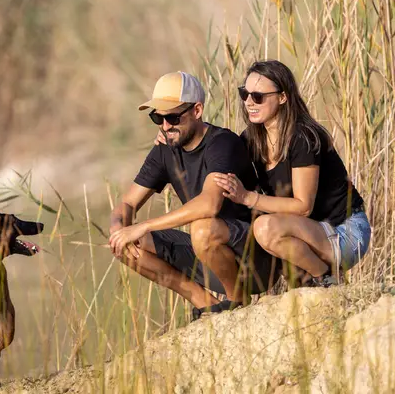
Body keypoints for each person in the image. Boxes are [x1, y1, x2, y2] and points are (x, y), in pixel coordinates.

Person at [108, 71, 278, 320]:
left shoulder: (222, 143)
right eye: (158, 117)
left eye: (173, 117)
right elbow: (127, 202)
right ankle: (208, 305)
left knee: (202, 228)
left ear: (197, 111)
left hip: (255, 259)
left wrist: (143, 225)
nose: (166, 126)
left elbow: (209, 204)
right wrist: (118, 228)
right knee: (124, 244)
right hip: (211, 257)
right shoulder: (165, 148)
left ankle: (237, 302)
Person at [209, 60, 370, 286]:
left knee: (265, 227)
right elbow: (218, 145)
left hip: (345, 231)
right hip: (307, 233)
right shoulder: (251, 139)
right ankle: (315, 283)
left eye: (258, 97)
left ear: (283, 97)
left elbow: (303, 207)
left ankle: (326, 279)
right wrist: (169, 144)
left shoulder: (303, 137)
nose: (248, 103)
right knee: (257, 226)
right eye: (244, 94)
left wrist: (247, 198)